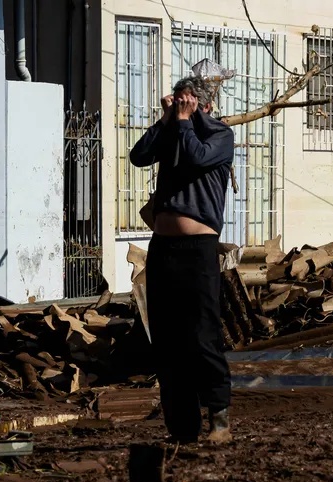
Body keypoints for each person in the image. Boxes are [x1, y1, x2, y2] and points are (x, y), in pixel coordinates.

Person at [129, 76, 235, 444]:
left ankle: (219, 418)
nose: (182, 109)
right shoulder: (174, 129)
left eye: (189, 103)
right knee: (168, 339)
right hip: (163, 249)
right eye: (180, 102)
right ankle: (182, 426)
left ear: (205, 106)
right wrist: (165, 120)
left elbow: (197, 156)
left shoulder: (219, 136)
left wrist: (187, 119)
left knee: (203, 334)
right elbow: (138, 156)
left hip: (198, 250)